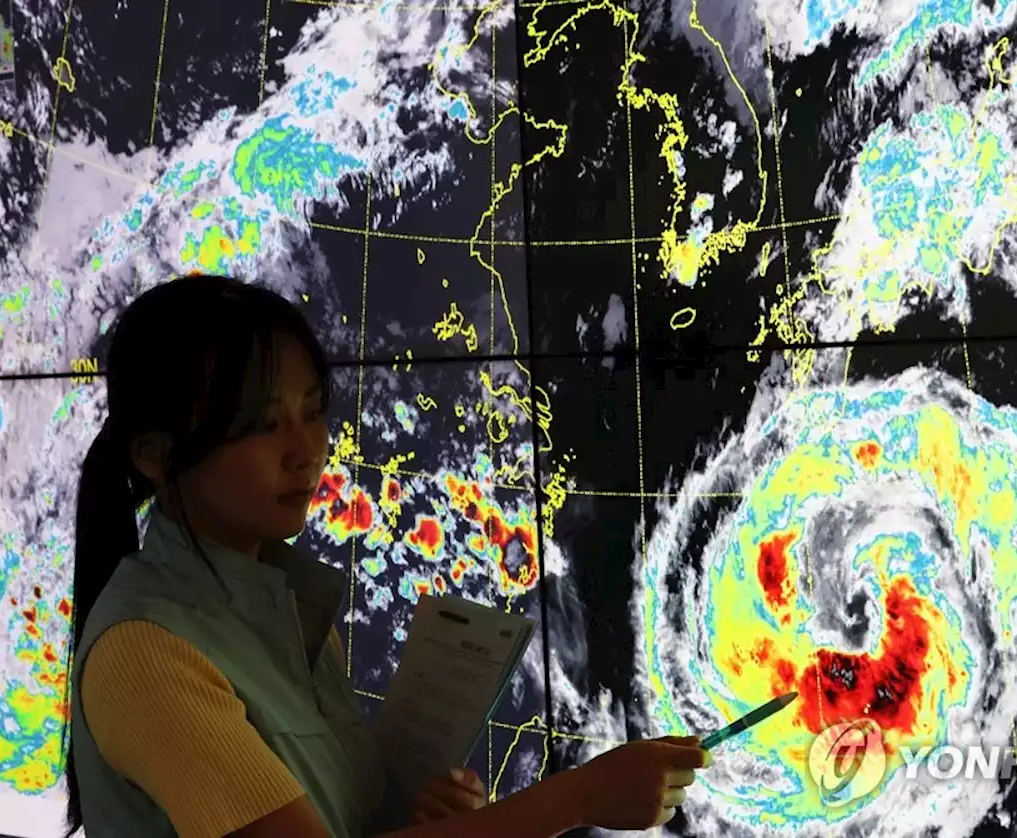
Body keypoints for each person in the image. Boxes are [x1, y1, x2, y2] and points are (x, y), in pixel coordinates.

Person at [63, 275, 711, 838]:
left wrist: (416, 818)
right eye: (261, 424)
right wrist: (578, 798)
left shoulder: (279, 603)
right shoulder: (145, 649)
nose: (305, 450)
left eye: (313, 412)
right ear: (155, 455)